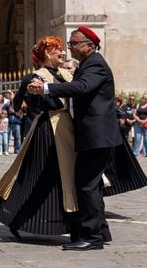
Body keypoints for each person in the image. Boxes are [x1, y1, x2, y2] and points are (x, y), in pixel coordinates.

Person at [28, 26, 121, 251]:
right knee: (92, 185)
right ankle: (100, 231)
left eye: (74, 43)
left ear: (89, 45)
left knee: (87, 185)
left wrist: (47, 88)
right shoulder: (88, 64)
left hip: (96, 135)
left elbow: (82, 87)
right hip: (92, 134)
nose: (70, 48)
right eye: (69, 44)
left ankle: (92, 237)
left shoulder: (95, 64)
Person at [0, 36, 78, 240]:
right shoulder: (34, 77)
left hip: (68, 129)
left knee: (66, 175)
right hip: (48, 129)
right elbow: (18, 102)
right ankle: (15, 216)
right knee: (36, 174)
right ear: (48, 53)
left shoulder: (66, 73)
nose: (63, 53)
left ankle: (69, 221)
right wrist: (25, 107)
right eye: (58, 49)